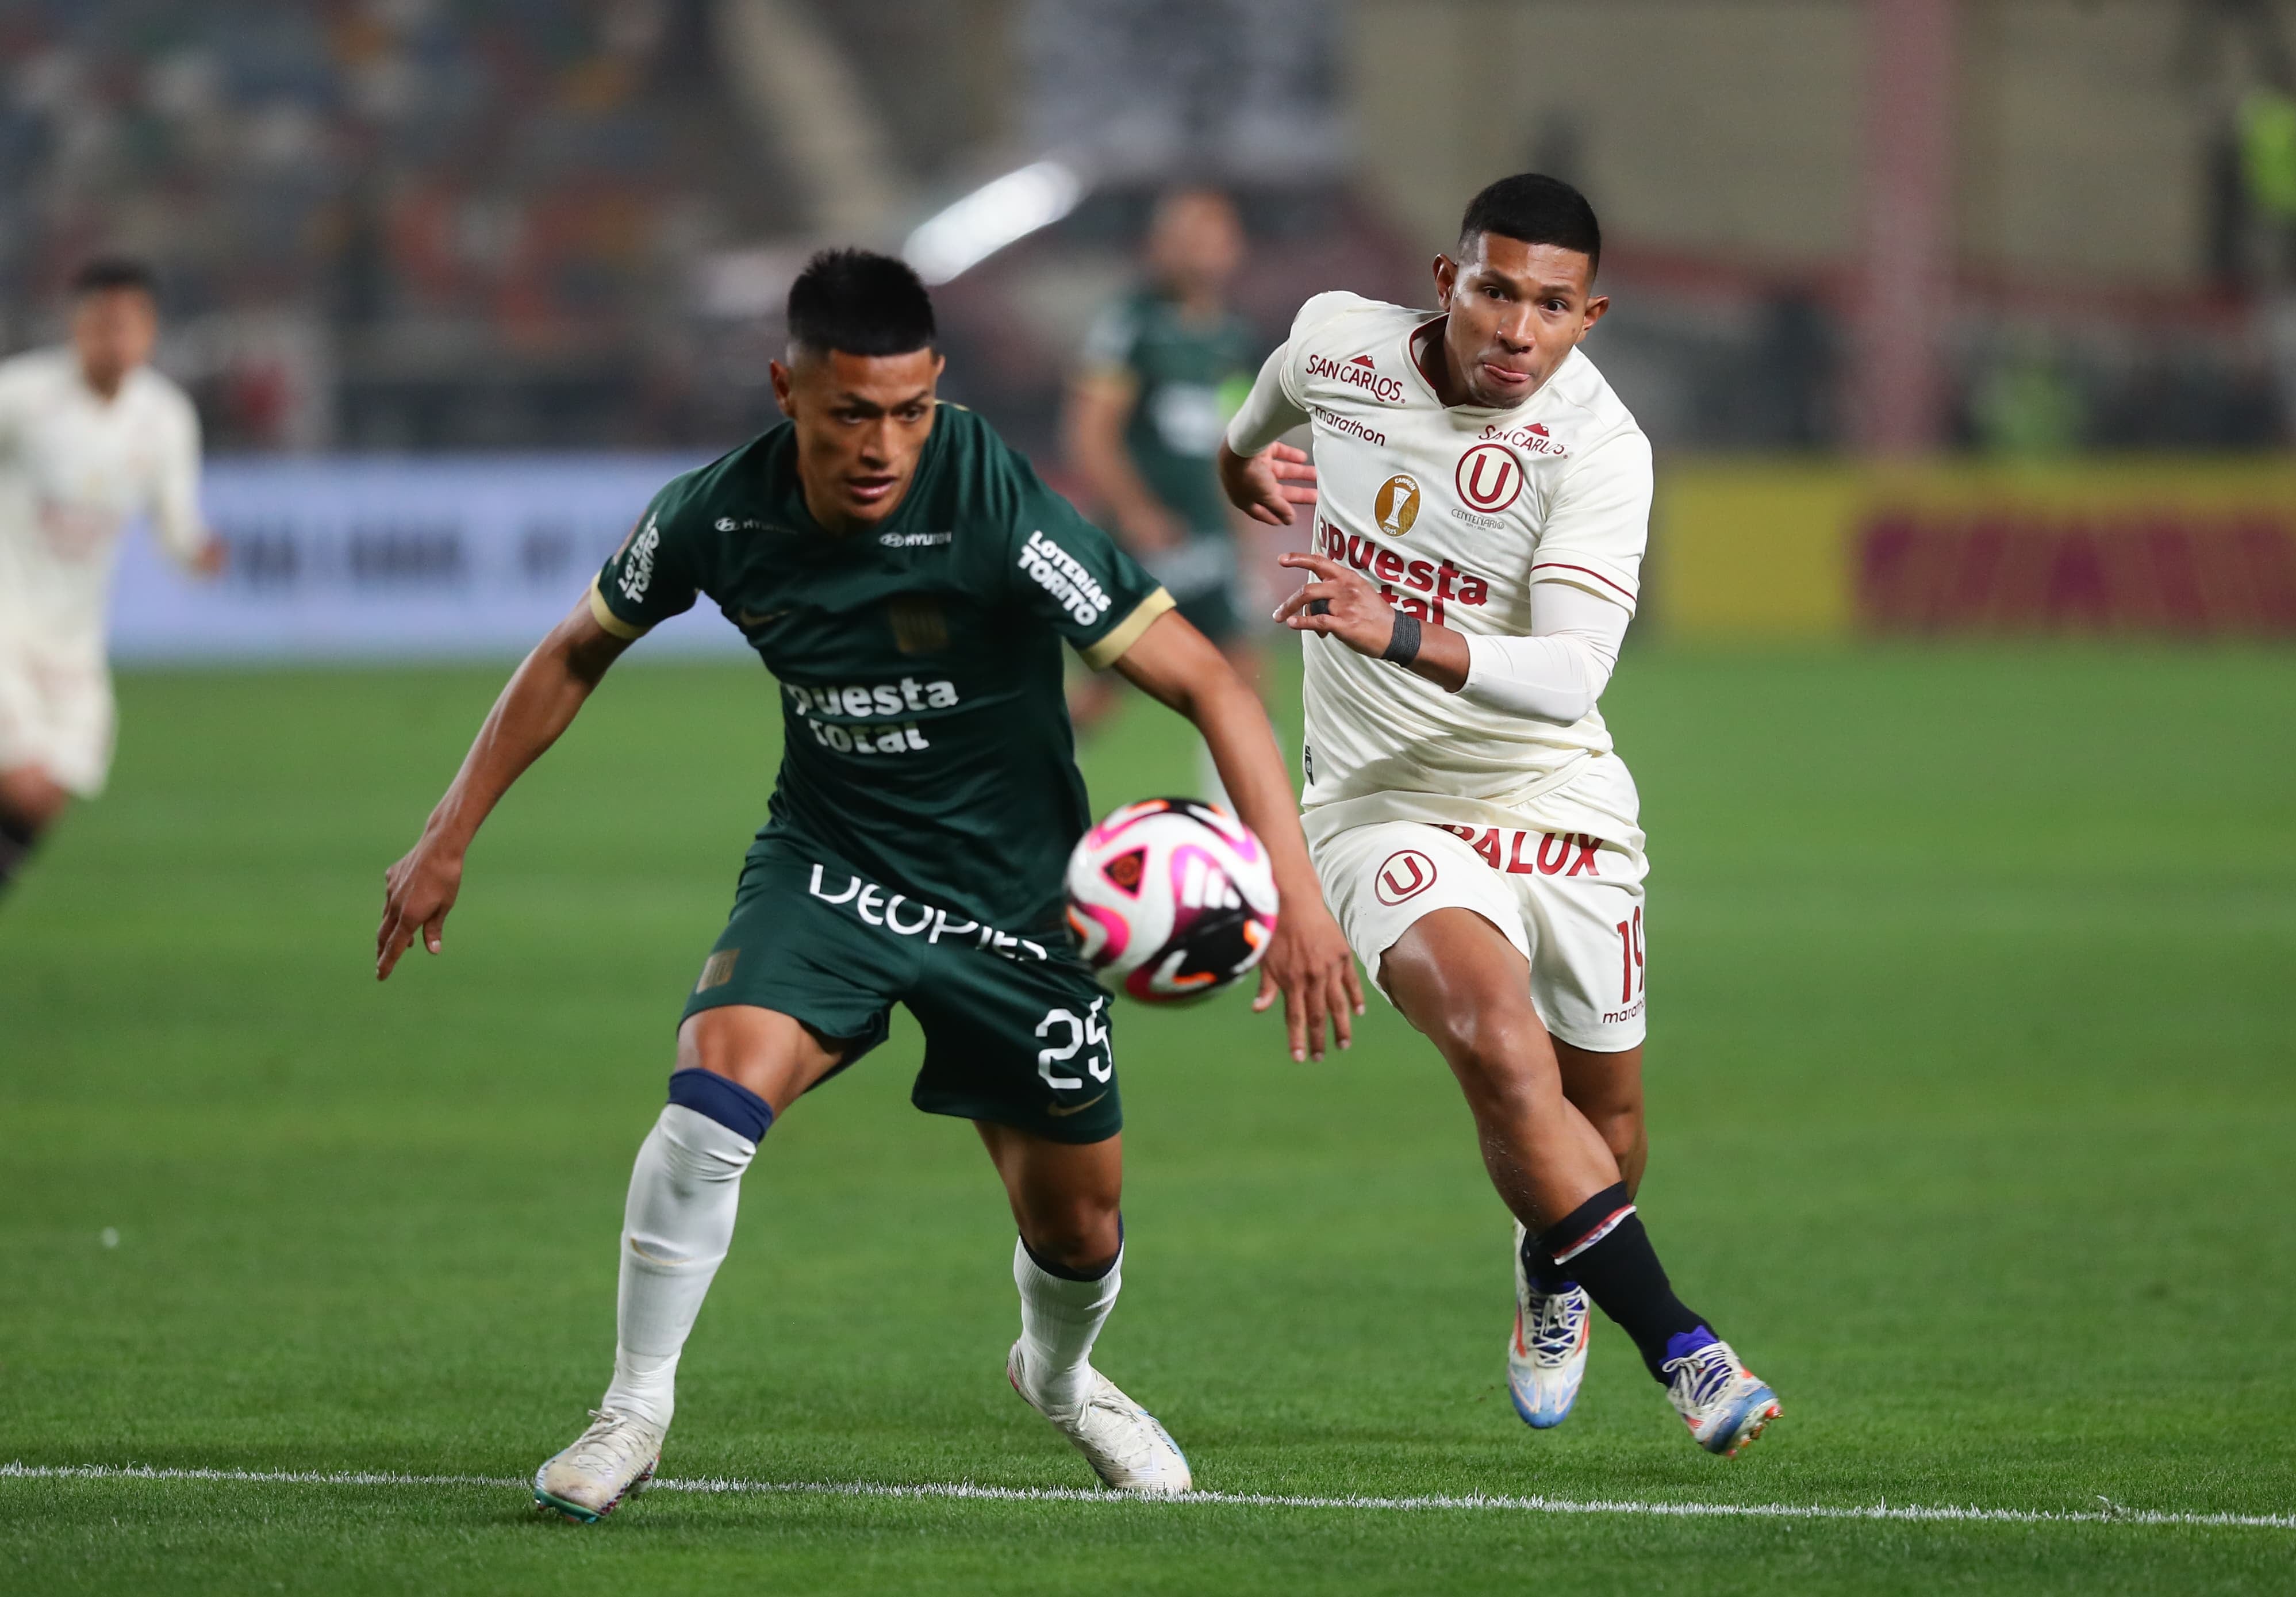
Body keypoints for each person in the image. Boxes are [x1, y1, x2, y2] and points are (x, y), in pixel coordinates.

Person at [375, 249, 1360, 1519]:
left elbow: (1212, 679)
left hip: (1023, 905)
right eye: (850, 413)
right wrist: (448, 834)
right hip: (833, 869)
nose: (882, 444)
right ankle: (630, 1412)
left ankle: (1060, 1382)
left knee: (1078, 1231)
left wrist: (1298, 898)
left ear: (936, 388)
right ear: (788, 388)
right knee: (709, 1097)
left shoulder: (990, 497)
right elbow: (575, 651)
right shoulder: (716, 516)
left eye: (906, 410)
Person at [1216, 175, 1780, 1455]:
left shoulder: (1599, 448)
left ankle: (1552, 1265)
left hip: (1553, 795)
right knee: (1494, 1043)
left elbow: (1573, 675)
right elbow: (1260, 410)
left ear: (1590, 317)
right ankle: (1687, 1350)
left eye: (1549, 305)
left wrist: (1393, 628)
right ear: (1444, 283)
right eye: (1494, 291)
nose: (1515, 328)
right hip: (1378, 801)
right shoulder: (1338, 344)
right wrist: (1236, 461)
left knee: (1606, 1126)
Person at [0, 258, 223, 899]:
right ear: (76, 326)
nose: (113, 339)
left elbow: (177, 525)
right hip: (6, 621)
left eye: (127, 325)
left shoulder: (165, 418)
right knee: (24, 782)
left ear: (150, 331)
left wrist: (197, 553)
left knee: (48, 798)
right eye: (100, 324)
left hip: (74, 642)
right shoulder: (21, 397)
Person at [1062, 189, 1268, 800]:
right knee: (1107, 685)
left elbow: (1233, 440)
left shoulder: (1231, 336)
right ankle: (1016, 792)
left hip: (1208, 537)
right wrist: (1135, 513)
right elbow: (1088, 431)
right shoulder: (1132, 325)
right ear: (1159, 247)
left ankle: (1240, 833)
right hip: (1143, 543)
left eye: (1214, 239)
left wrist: (1246, 530)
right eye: (1188, 239)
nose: (1203, 253)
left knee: (1242, 681)